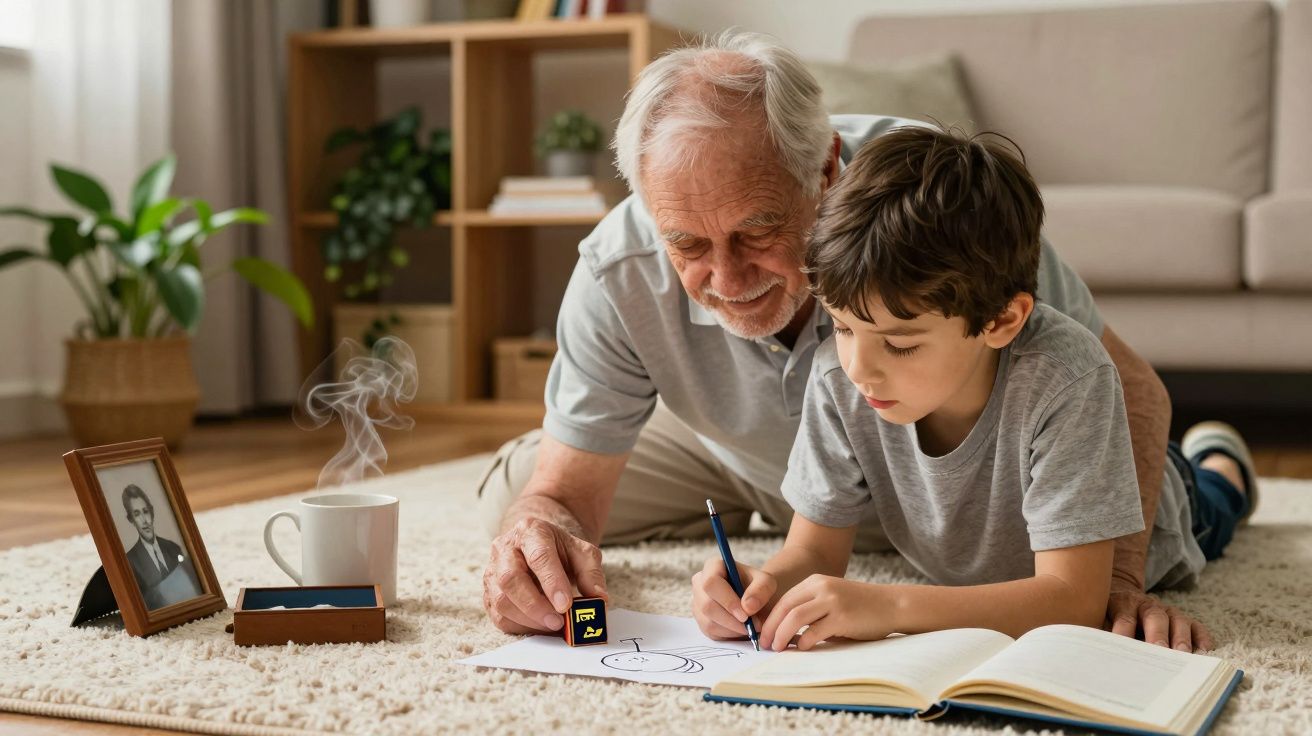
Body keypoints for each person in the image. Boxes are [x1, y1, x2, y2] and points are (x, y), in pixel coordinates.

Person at [477, 30, 1210, 650]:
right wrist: (756, 583)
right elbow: (566, 494)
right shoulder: (621, 268)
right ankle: (772, 502)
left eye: (757, 231)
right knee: (517, 497)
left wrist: (1115, 585)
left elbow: (1128, 389)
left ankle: (1220, 467)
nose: (726, 278)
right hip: (759, 452)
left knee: (1185, 499)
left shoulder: (939, 211)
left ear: (824, 169)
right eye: (687, 243)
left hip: (958, 476)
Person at [690, 125, 1257, 650]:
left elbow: (1075, 600)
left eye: (901, 343)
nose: (860, 367)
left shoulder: (1065, 376)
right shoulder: (839, 375)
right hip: (994, 547)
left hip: (1157, 514)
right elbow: (813, 550)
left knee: (1214, 500)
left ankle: (1221, 462)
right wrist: (760, 592)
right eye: (840, 326)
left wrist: (890, 605)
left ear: (1001, 321)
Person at [122, 483, 199, 607]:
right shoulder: (130, 561)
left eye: (145, 512)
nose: (144, 520)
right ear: (131, 519)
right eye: (137, 514)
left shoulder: (174, 548)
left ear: (151, 513)